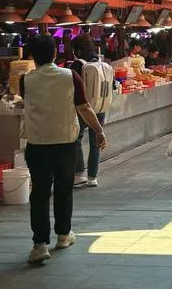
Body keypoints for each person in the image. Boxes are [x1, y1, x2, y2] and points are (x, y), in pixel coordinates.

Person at [20, 35, 106, 264]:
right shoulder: (70, 76)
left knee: (39, 193)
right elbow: (84, 108)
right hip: (65, 143)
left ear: (32, 56)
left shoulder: (25, 79)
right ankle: (63, 235)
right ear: (55, 54)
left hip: (37, 144)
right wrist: (99, 131)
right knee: (63, 190)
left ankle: (39, 245)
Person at [71, 34, 106, 188]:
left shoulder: (77, 65)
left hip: (83, 109)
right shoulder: (100, 63)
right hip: (100, 107)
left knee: (76, 139)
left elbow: (71, 87)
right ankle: (93, 177)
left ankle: (79, 174)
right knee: (96, 141)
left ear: (77, 50)